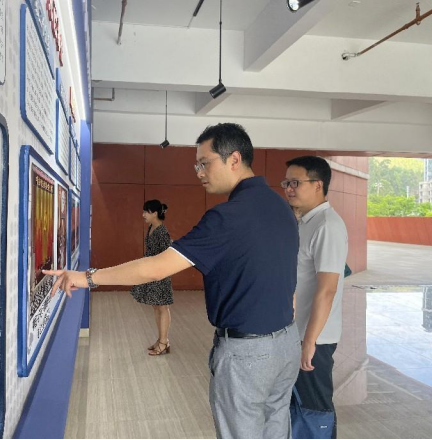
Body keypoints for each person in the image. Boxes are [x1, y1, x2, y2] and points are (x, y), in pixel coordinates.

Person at [45, 123, 301, 439]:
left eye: (204, 163)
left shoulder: (227, 217)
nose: (199, 172)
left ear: (234, 159)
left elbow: (155, 268)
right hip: (287, 342)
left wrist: (86, 277)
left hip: (249, 355)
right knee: (276, 428)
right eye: (197, 165)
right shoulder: (280, 206)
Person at [283, 156, 349, 439]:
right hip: (297, 333)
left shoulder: (327, 225)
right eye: (286, 183)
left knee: (314, 412)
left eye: (295, 182)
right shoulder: (304, 222)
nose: (289, 189)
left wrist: (309, 341)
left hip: (314, 339)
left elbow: (327, 289)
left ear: (318, 185)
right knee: (298, 409)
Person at [131, 200, 174, 356]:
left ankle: (164, 342)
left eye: (146, 212)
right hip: (152, 271)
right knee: (156, 307)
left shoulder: (162, 231)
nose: (143, 215)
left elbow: (167, 255)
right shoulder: (151, 227)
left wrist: (158, 272)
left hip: (160, 273)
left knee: (162, 307)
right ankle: (161, 340)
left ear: (155, 213)